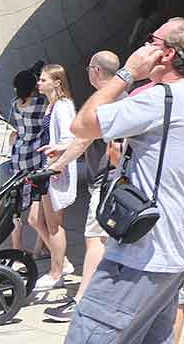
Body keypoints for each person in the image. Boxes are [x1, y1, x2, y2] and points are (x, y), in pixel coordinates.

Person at [59, 17, 184, 344]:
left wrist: (126, 73)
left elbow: (82, 124)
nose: (143, 46)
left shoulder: (162, 99)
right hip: (172, 257)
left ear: (168, 55)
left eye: (152, 40)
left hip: (138, 259)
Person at [44, 52, 121, 323]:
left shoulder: (106, 100)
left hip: (108, 181)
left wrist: (59, 164)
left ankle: (83, 300)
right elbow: (88, 137)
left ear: (97, 71)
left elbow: (86, 137)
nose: (87, 71)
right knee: (107, 241)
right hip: (114, 181)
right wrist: (63, 148)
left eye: (89, 67)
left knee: (95, 239)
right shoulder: (122, 96)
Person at [30, 64, 78, 292]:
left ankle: (56, 271)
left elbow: (72, 138)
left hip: (55, 170)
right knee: (34, 219)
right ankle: (62, 262)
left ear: (57, 82)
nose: (39, 83)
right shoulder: (51, 106)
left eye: (43, 80)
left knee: (54, 225)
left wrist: (56, 149)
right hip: (46, 168)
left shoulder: (63, 106)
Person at [7, 64, 48, 252]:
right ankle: (40, 247)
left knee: (16, 206)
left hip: (18, 154)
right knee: (38, 201)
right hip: (36, 156)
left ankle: (17, 248)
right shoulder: (41, 103)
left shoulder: (14, 104)